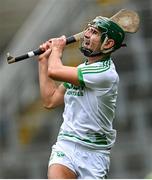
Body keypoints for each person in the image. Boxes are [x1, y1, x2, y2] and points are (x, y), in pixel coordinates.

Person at [38, 16, 125, 179]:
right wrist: (43, 61)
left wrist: (57, 49)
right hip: (66, 146)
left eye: (94, 32)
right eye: (88, 29)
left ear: (108, 43)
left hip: (94, 153)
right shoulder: (82, 69)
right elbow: (50, 100)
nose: (86, 34)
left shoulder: (105, 74)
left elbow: (55, 71)